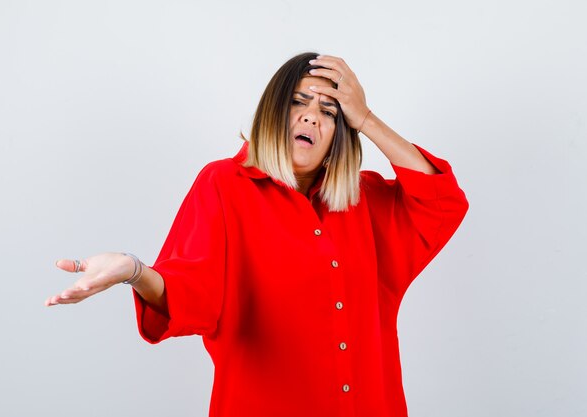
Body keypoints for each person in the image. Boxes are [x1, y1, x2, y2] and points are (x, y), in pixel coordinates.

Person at [45, 52, 469, 417]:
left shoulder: (365, 200)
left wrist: (366, 118)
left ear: (340, 134)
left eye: (329, 111)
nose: (311, 116)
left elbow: (441, 201)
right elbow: (189, 289)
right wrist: (135, 271)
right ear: (273, 110)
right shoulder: (223, 186)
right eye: (299, 102)